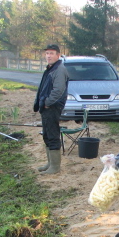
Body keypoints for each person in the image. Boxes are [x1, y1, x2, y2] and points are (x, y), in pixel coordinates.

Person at [33, 44, 68, 174]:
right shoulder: (51, 68)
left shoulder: (59, 69)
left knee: (53, 135)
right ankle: (50, 163)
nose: (48, 56)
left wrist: (47, 103)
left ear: (58, 55)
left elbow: (58, 90)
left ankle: (55, 167)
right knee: (47, 135)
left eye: (51, 53)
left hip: (52, 107)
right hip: (46, 107)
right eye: (47, 53)